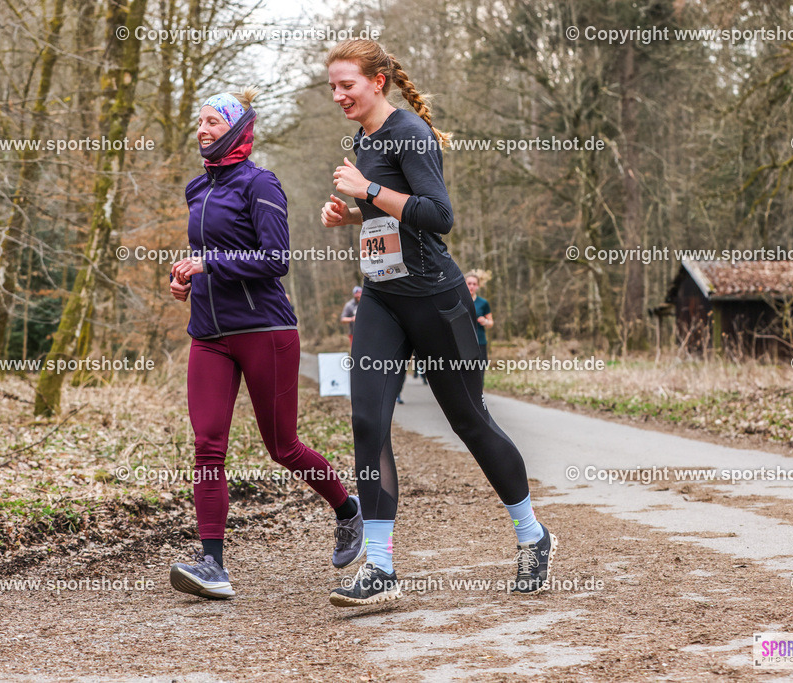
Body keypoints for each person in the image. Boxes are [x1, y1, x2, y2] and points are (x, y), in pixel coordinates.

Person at [320, 40, 555, 606]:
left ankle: (532, 533)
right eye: (332, 86)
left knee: (469, 420)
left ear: (378, 81)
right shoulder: (363, 138)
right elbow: (387, 215)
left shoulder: (410, 133)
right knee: (366, 422)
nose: (338, 95)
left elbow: (438, 216)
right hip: (381, 297)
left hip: (436, 300)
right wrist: (351, 212)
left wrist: (369, 189)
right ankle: (379, 567)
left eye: (347, 84)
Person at [168, 89, 365, 600]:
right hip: (208, 335)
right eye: (199, 121)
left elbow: (277, 259)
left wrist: (211, 263)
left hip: (264, 331)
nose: (202, 129)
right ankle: (212, 563)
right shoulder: (196, 188)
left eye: (212, 121)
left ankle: (347, 508)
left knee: (282, 447)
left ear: (236, 129)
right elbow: (203, 255)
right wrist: (186, 278)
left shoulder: (262, 184)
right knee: (208, 444)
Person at [466, 270, 494, 381]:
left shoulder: (483, 303)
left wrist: (485, 322)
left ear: (478, 286)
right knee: (465, 372)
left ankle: (479, 396)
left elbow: (491, 322)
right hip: (463, 343)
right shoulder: (460, 301)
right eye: (469, 283)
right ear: (464, 284)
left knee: (479, 372)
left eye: (474, 284)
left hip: (480, 342)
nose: (472, 286)